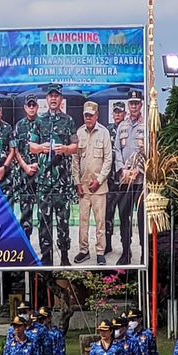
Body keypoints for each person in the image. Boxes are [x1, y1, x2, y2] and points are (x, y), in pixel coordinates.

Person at [29, 83, 78, 266]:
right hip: (44, 181)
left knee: (63, 220)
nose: (53, 98)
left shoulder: (68, 120)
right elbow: (32, 147)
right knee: (44, 220)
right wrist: (42, 147)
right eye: (50, 96)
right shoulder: (40, 121)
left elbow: (76, 147)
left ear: (61, 99)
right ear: (47, 99)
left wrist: (64, 149)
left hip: (62, 181)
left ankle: (64, 256)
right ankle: (47, 256)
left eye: (56, 96)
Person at [73, 100, 114, 265]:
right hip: (83, 187)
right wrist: (77, 182)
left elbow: (108, 160)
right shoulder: (79, 132)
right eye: (86, 115)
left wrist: (99, 180)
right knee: (83, 222)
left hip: (99, 187)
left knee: (100, 222)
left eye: (91, 115)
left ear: (96, 115)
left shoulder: (103, 133)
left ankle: (100, 252)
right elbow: (75, 160)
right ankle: (84, 250)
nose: (88, 118)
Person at [111, 90, 147, 265]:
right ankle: (126, 252)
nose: (134, 106)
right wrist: (122, 170)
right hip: (125, 180)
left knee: (141, 220)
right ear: (128, 105)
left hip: (140, 181)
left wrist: (139, 170)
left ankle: (144, 254)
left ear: (141, 105)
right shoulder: (122, 126)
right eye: (131, 103)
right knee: (124, 217)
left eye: (136, 103)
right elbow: (117, 150)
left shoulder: (146, 126)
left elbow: (149, 151)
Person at [11, 95, 42, 239]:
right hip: (24, 173)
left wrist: (37, 164)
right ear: (25, 108)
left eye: (33, 105)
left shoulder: (43, 124)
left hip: (41, 173)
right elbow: (15, 150)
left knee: (43, 213)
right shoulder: (19, 126)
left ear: (37, 107)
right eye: (29, 105)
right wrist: (25, 166)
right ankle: (27, 244)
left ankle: (45, 249)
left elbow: (48, 147)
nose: (31, 108)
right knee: (26, 212)